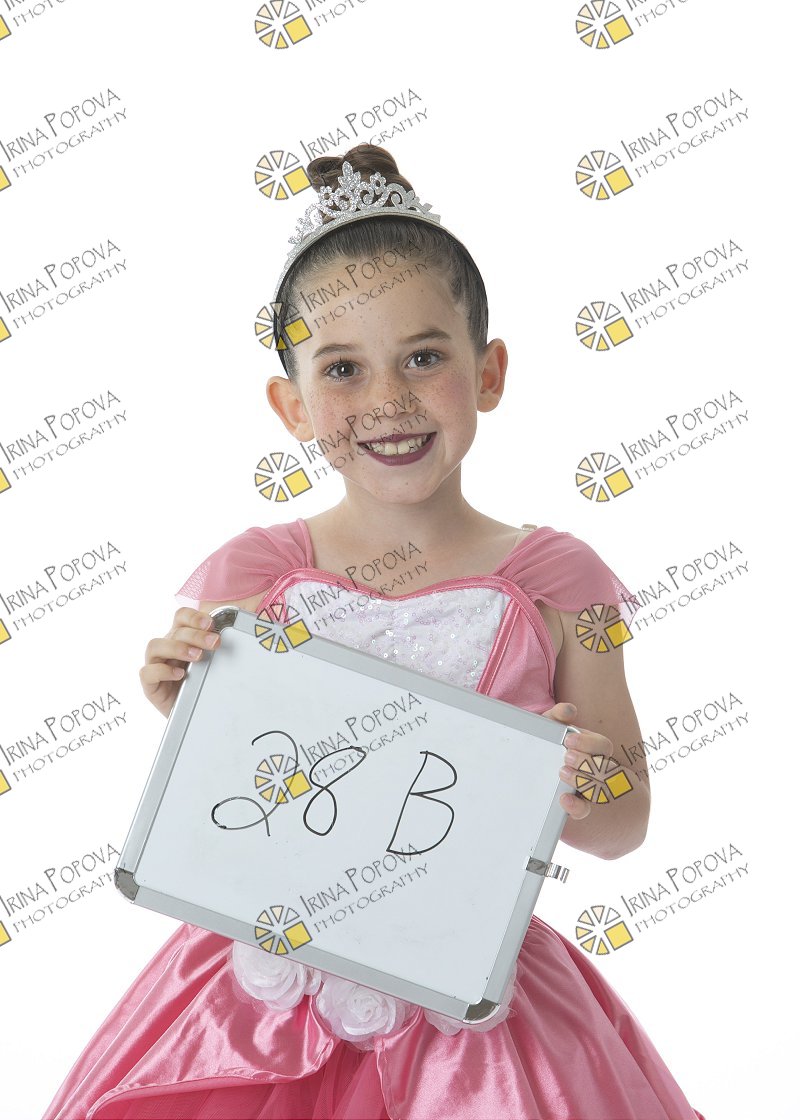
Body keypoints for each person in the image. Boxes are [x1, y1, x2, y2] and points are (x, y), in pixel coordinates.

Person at [42, 145, 706, 1120]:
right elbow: (228, 807)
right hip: (262, 986)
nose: (388, 401)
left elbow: (624, 823)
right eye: (343, 370)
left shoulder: (560, 582)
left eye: (424, 358)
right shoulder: (255, 575)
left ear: (488, 372)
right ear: (292, 405)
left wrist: (587, 781)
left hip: (474, 1002)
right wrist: (186, 705)